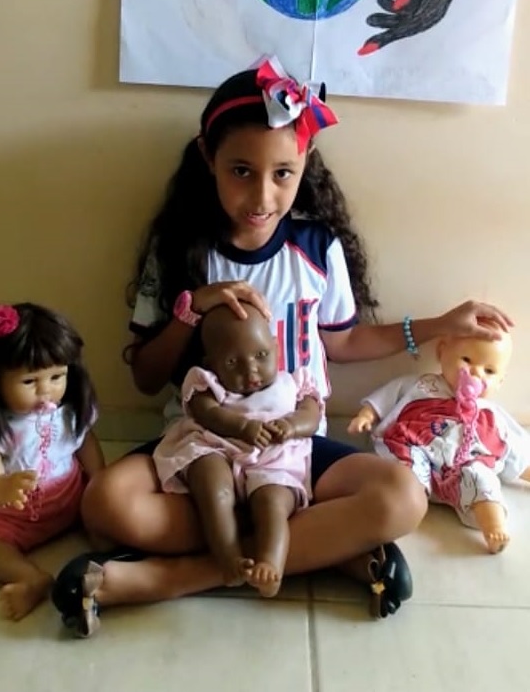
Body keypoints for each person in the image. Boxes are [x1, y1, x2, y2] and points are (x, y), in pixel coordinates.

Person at [51, 54, 513, 638]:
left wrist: (439, 324)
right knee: (105, 505)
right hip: (201, 444)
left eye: (282, 174)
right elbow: (145, 376)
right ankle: (322, 548)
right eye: (241, 171)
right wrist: (192, 310)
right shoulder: (180, 249)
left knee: (403, 498)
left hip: (292, 442)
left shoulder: (317, 249)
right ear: (207, 157)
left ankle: (176, 577)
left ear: (305, 162)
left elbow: (343, 341)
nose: (262, 195)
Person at [154, 302, 321, 599]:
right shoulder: (206, 383)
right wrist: (242, 427)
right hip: (219, 445)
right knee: (213, 488)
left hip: (273, 458)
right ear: (212, 364)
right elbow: (206, 412)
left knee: (273, 503)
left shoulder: (295, 382)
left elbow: (312, 416)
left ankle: (270, 564)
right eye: (232, 362)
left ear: (276, 347)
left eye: (261, 355)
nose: (250, 369)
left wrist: (292, 426)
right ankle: (228, 557)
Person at [348, 323, 530, 554]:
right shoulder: (422, 385)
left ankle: (493, 526)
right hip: (417, 450)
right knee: (402, 469)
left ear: (501, 381)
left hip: (465, 469)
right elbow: (386, 398)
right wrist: (366, 415)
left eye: (489, 371)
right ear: (442, 352)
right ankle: (399, 508)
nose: (476, 373)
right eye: (467, 360)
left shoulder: (490, 413)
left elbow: (515, 453)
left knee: (482, 478)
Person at [0, 302, 104, 621]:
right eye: (30, 381)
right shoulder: (3, 424)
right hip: (16, 519)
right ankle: (32, 578)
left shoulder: (69, 412)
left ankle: (111, 568)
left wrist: (99, 482)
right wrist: (3, 486)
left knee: (110, 520)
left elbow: (85, 444)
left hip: (72, 501)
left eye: (57, 376)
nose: (46, 390)